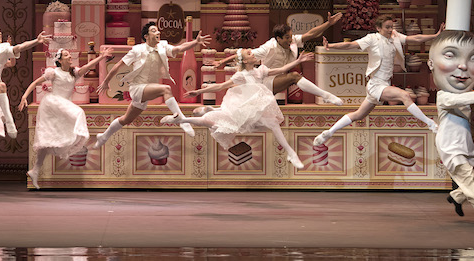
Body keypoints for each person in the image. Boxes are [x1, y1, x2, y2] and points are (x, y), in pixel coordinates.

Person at [166, 48, 313, 169]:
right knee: (213, 122)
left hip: (256, 107)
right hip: (242, 109)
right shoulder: (240, 75)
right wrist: (198, 91)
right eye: (249, 54)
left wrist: (298, 61)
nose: (253, 54)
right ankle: (182, 119)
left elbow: (281, 69)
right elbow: (220, 86)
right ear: (245, 61)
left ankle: (291, 153)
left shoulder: (260, 70)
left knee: (274, 123)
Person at [314, 15, 444, 146]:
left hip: (383, 84)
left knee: (358, 115)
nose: (390, 30)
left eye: (391, 27)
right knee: (405, 95)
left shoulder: (395, 36)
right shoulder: (372, 39)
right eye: (387, 27)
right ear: (378, 28)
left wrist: (435, 36)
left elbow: (415, 38)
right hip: (376, 84)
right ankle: (431, 124)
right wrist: (331, 45)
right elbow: (350, 45)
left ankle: (329, 132)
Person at [92, 22, 211, 148]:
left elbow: (179, 48)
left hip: (148, 88)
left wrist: (195, 42)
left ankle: (103, 136)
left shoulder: (162, 46)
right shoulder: (137, 50)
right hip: (137, 88)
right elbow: (117, 65)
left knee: (126, 119)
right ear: (146, 36)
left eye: (158, 30)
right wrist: (105, 81)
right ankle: (182, 121)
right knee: (166, 89)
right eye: (154, 31)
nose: (158, 32)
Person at [427, 30, 474, 227]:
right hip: (451, 146)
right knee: (468, 180)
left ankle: (457, 197)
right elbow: (463, 98)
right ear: (431, 63)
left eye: (473, 58)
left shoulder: (468, 94)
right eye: (450, 55)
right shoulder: (444, 96)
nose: (463, 65)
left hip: (466, 144)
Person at [19, 46, 113, 189]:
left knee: (48, 139)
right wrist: (24, 97)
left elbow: (88, 66)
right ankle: (80, 135)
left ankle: (35, 170)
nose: (70, 57)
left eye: (70, 55)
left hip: (63, 105)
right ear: (60, 60)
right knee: (78, 113)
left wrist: (102, 56)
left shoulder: (73, 73)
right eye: (67, 55)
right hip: (53, 103)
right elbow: (35, 83)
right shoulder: (54, 73)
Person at [215, 12, 344, 105]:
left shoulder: (293, 41)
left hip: (277, 80)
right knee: (294, 76)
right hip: (266, 82)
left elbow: (311, 33)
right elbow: (240, 54)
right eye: (287, 37)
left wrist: (329, 23)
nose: (290, 39)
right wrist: (221, 61)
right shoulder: (268, 47)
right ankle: (326, 96)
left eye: (291, 36)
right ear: (279, 39)